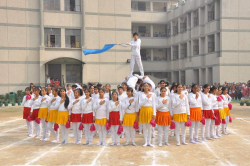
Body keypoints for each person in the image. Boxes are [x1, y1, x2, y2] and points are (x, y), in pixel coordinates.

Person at [138, 83, 156, 147]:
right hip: (143, 110)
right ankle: (145, 142)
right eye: (144, 86)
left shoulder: (153, 94)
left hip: (150, 110)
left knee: (149, 128)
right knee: (144, 127)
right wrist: (146, 98)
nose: (146, 87)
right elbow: (140, 104)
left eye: (147, 86)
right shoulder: (141, 94)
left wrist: (154, 113)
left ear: (149, 87)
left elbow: (154, 104)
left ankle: (149, 141)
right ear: (142, 87)